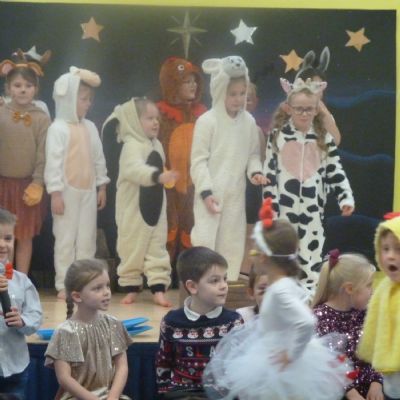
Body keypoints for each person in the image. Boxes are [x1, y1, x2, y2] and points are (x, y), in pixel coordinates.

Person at [202, 198, 353, 400]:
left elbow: (306, 321)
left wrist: (291, 355)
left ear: (263, 257)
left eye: (253, 251)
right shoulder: (286, 283)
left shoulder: (280, 291)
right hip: (274, 351)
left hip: (282, 362)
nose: (250, 256)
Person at [263, 77, 354, 295]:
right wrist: (270, 209)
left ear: (316, 110)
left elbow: (335, 170)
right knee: (284, 256)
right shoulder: (278, 136)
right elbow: (269, 174)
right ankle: (283, 297)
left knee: (311, 257)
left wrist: (345, 197)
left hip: (313, 213)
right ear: (289, 109)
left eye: (309, 109)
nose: (304, 114)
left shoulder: (324, 138)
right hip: (284, 213)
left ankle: (309, 300)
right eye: (299, 109)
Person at [190, 56, 266, 282]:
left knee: (232, 243)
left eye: (242, 93)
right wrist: (206, 192)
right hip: (210, 193)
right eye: (232, 94)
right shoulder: (207, 121)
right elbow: (198, 161)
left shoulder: (249, 122)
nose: (238, 99)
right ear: (220, 90)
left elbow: (253, 155)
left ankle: (227, 285)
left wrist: (255, 172)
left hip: (235, 194)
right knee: (205, 240)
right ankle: (201, 285)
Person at [103, 97, 177, 306]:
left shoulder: (157, 145)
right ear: (135, 121)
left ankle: (158, 288)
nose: (155, 123)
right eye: (149, 118)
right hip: (132, 210)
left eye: (157, 119)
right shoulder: (131, 145)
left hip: (156, 209)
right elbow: (133, 169)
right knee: (131, 248)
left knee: (157, 248)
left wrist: (164, 177)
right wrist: (156, 176)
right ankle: (131, 287)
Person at [44, 67, 110, 300]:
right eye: (83, 99)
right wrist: (55, 192)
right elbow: (53, 162)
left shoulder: (90, 127)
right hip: (66, 193)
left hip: (88, 192)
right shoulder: (58, 128)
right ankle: (64, 283)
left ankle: (85, 282)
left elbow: (98, 157)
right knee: (65, 240)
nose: (88, 104)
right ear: (69, 99)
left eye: (90, 99)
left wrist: (102, 185)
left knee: (86, 240)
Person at [155, 246, 242, 399]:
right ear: (192, 286)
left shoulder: (233, 321)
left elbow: (238, 365)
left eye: (225, 278)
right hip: (182, 394)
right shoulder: (171, 322)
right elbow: (163, 362)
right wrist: (165, 391)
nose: (224, 285)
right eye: (215, 281)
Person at [45, 258, 132, 400]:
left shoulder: (113, 324)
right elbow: (64, 378)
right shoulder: (66, 332)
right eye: (98, 288)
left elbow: (122, 367)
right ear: (77, 296)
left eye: (107, 286)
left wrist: (113, 397)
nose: (106, 292)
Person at [0, 49, 51, 273]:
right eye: (18, 85)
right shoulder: (1, 113)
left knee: (25, 236)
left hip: (28, 187)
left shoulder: (41, 118)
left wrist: (38, 182)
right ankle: (5, 280)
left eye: (28, 86)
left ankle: (20, 280)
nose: (23, 90)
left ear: (35, 89)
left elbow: (43, 153)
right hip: (3, 185)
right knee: (4, 236)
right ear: (8, 88)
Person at [157, 58, 206, 275]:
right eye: (187, 81)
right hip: (168, 184)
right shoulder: (161, 115)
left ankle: (187, 273)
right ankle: (164, 272)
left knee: (191, 225)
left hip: (194, 184)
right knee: (169, 225)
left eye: (195, 81)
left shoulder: (202, 115)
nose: (193, 85)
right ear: (173, 85)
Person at [313, 250, 383, 400]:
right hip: (339, 393)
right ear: (350, 289)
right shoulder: (320, 318)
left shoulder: (364, 312)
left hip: (369, 387)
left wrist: (376, 382)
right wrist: (352, 394)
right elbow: (329, 366)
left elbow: (376, 350)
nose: (372, 291)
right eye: (369, 286)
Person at [0, 208, 42, 399]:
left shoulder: (22, 281)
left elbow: (35, 316)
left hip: (15, 366)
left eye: (8, 238)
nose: (3, 244)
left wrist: (22, 321)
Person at [358, 214, 400, 400]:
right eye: (385, 249)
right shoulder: (384, 288)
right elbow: (376, 327)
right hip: (392, 382)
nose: (390, 255)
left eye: (398, 249)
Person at [241, 82, 267, 276]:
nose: (244, 101)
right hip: (230, 188)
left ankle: (246, 274)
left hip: (251, 190)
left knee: (250, 234)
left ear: (256, 102)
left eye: (249, 98)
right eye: (241, 96)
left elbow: (262, 160)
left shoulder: (257, 130)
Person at [295, 46, 341, 145]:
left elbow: (335, 141)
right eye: (312, 86)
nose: (316, 91)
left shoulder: (325, 115)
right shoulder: (289, 112)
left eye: (319, 86)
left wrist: (318, 104)